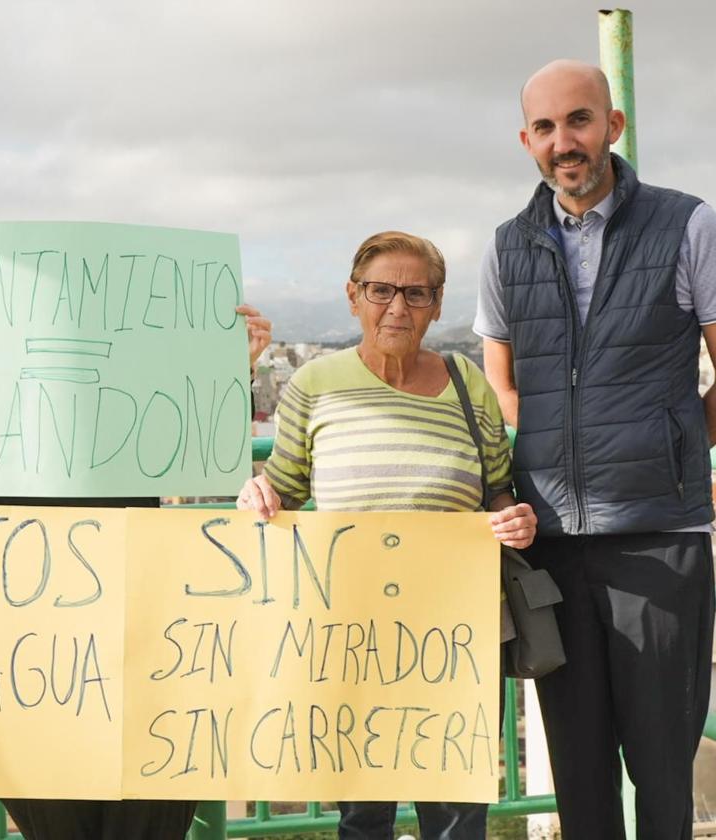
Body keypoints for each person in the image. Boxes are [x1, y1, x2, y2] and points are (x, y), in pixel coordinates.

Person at [0, 296, 271, 839]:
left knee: (147, 813)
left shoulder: (137, 408)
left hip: (136, 634)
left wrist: (234, 370)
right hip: (30, 641)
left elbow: (208, 443)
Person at [474, 58, 716, 838]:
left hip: (661, 541)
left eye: (579, 120)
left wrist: (678, 443)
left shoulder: (688, 224)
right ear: (526, 141)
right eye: (545, 127)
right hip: (552, 555)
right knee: (579, 783)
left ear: (613, 126)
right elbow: (503, 392)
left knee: (663, 778)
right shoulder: (507, 247)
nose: (563, 141)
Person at [238, 230, 537, 840]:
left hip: (453, 634)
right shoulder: (315, 384)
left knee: (457, 815)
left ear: (437, 303)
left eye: (415, 294)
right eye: (380, 291)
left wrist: (516, 520)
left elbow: (499, 491)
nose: (397, 308)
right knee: (362, 815)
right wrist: (257, 492)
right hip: (351, 631)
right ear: (353, 297)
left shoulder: (467, 384)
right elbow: (286, 487)